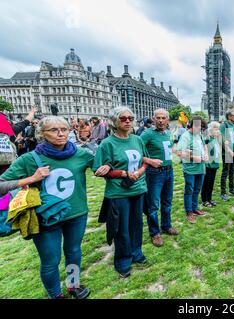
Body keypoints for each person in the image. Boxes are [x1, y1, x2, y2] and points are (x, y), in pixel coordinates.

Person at [0, 116, 110, 299]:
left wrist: (106, 166)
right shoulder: (29, 159)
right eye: (53, 130)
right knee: (51, 260)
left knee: (74, 252)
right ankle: (55, 295)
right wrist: (31, 179)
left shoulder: (81, 153)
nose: (60, 133)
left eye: (64, 129)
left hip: (77, 215)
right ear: (42, 134)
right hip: (45, 218)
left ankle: (73, 285)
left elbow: (100, 165)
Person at [93, 107, 149, 278]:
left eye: (130, 118)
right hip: (118, 192)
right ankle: (123, 259)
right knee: (121, 228)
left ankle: (136, 252)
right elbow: (98, 170)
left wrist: (140, 172)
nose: (127, 121)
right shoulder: (107, 144)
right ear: (114, 122)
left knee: (137, 224)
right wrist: (121, 173)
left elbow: (144, 161)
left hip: (138, 189)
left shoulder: (137, 139)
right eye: (123, 118)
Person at [140, 109, 179, 248]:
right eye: (158, 118)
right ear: (154, 119)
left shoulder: (168, 133)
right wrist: (150, 161)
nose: (161, 120)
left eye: (163, 118)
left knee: (167, 202)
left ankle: (166, 226)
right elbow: (136, 150)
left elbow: (169, 149)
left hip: (169, 171)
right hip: (154, 173)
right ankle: (155, 233)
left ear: (168, 120)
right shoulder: (147, 134)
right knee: (153, 205)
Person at [176, 116, 208, 223]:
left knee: (197, 190)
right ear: (192, 125)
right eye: (199, 127)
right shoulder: (185, 136)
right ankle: (189, 212)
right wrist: (194, 157)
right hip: (190, 169)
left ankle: (195, 208)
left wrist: (206, 155)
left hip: (201, 168)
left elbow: (204, 147)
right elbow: (179, 153)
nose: (200, 130)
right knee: (189, 190)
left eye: (202, 128)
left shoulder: (199, 135)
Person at [219, 111, 234, 201]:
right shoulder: (224, 125)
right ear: (229, 116)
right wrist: (229, 151)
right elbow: (222, 139)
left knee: (232, 171)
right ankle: (223, 193)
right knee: (225, 172)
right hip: (227, 153)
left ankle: (231, 189)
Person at [201, 121, 221, 207]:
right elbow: (202, 146)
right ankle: (204, 200)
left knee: (212, 183)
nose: (218, 131)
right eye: (216, 129)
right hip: (208, 165)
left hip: (214, 164)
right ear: (211, 130)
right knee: (206, 183)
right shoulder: (207, 139)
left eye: (218, 129)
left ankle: (209, 198)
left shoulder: (215, 139)